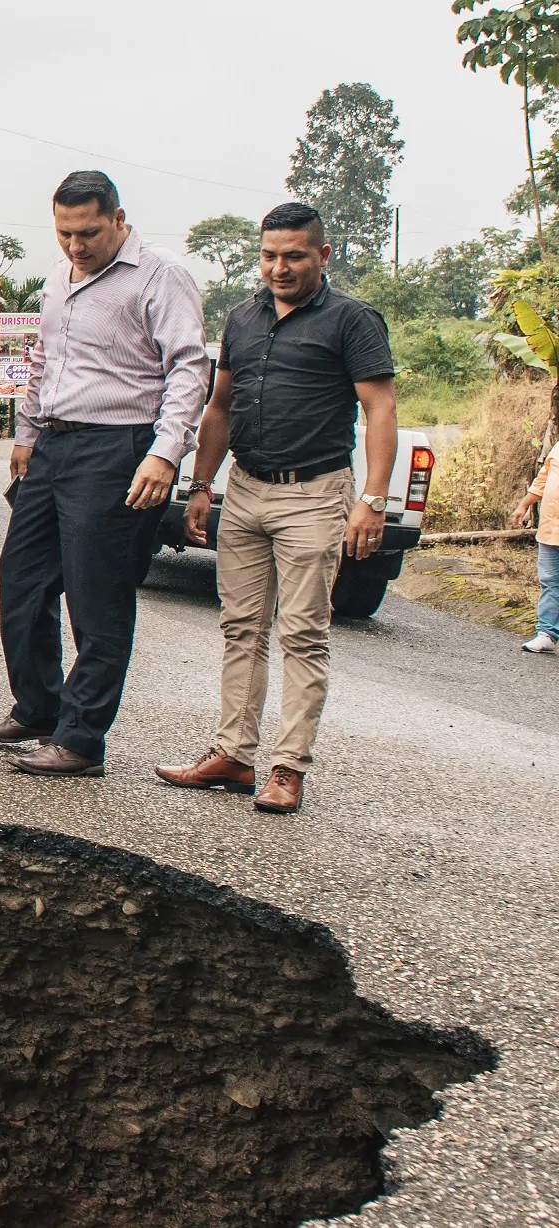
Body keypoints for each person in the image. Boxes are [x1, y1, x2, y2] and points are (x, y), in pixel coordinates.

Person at [155, 202, 398, 814]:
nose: (279, 268)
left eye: (293, 256)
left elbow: (380, 411)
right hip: (246, 489)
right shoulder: (241, 318)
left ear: (322, 255)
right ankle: (234, 755)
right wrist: (203, 484)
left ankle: (288, 768)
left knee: (303, 634)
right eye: (269, 256)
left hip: (315, 495)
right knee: (240, 628)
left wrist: (371, 500)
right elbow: (219, 407)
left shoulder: (353, 319)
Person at [0, 171, 208, 777]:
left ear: (119, 220)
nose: (76, 245)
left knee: (98, 599)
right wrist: (26, 435)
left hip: (120, 448)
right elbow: (44, 359)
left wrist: (165, 452)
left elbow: (187, 369)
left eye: (89, 233)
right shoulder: (58, 275)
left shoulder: (160, 276)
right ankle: (38, 708)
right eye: (65, 233)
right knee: (22, 578)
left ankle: (80, 739)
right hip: (53, 443)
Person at [510, 447, 557, 654]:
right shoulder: (557, 447)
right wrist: (523, 506)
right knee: (549, 582)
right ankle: (546, 634)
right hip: (550, 530)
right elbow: (541, 482)